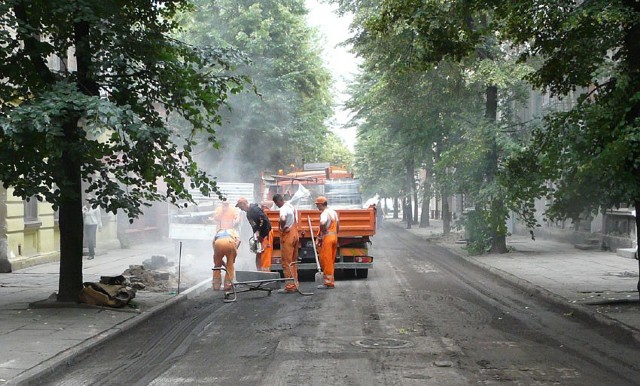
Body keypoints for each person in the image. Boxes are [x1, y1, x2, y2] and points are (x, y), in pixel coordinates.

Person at [235, 197, 274, 272]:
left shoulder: (255, 210)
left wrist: (261, 235)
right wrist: (256, 235)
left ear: (244, 204)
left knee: (265, 253)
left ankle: (265, 274)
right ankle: (259, 271)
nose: (240, 209)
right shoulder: (248, 214)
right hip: (260, 235)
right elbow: (253, 225)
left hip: (266, 233)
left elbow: (264, 221)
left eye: (240, 207)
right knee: (259, 253)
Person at [273, 193, 299, 293]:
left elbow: (283, 219)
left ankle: (290, 286)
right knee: (293, 261)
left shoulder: (283, 208)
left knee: (286, 262)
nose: (277, 205)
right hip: (295, 234)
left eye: (276, 203)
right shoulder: (291, 206)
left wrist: (283, 227)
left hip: (288, 236)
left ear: (279, 201)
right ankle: (295, 284)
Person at [314, 196, 339, 289]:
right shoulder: (333, 212)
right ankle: (330, 281)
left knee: (326, 260)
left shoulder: (324, 213)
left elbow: (323, 223)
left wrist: (323, 231)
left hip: (327, 238)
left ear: (321, 204)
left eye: (317, 205)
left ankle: (328, 283)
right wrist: (336, 234)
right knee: (331, 260)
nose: (317, 207)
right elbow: (338, 225)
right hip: (334, 237)